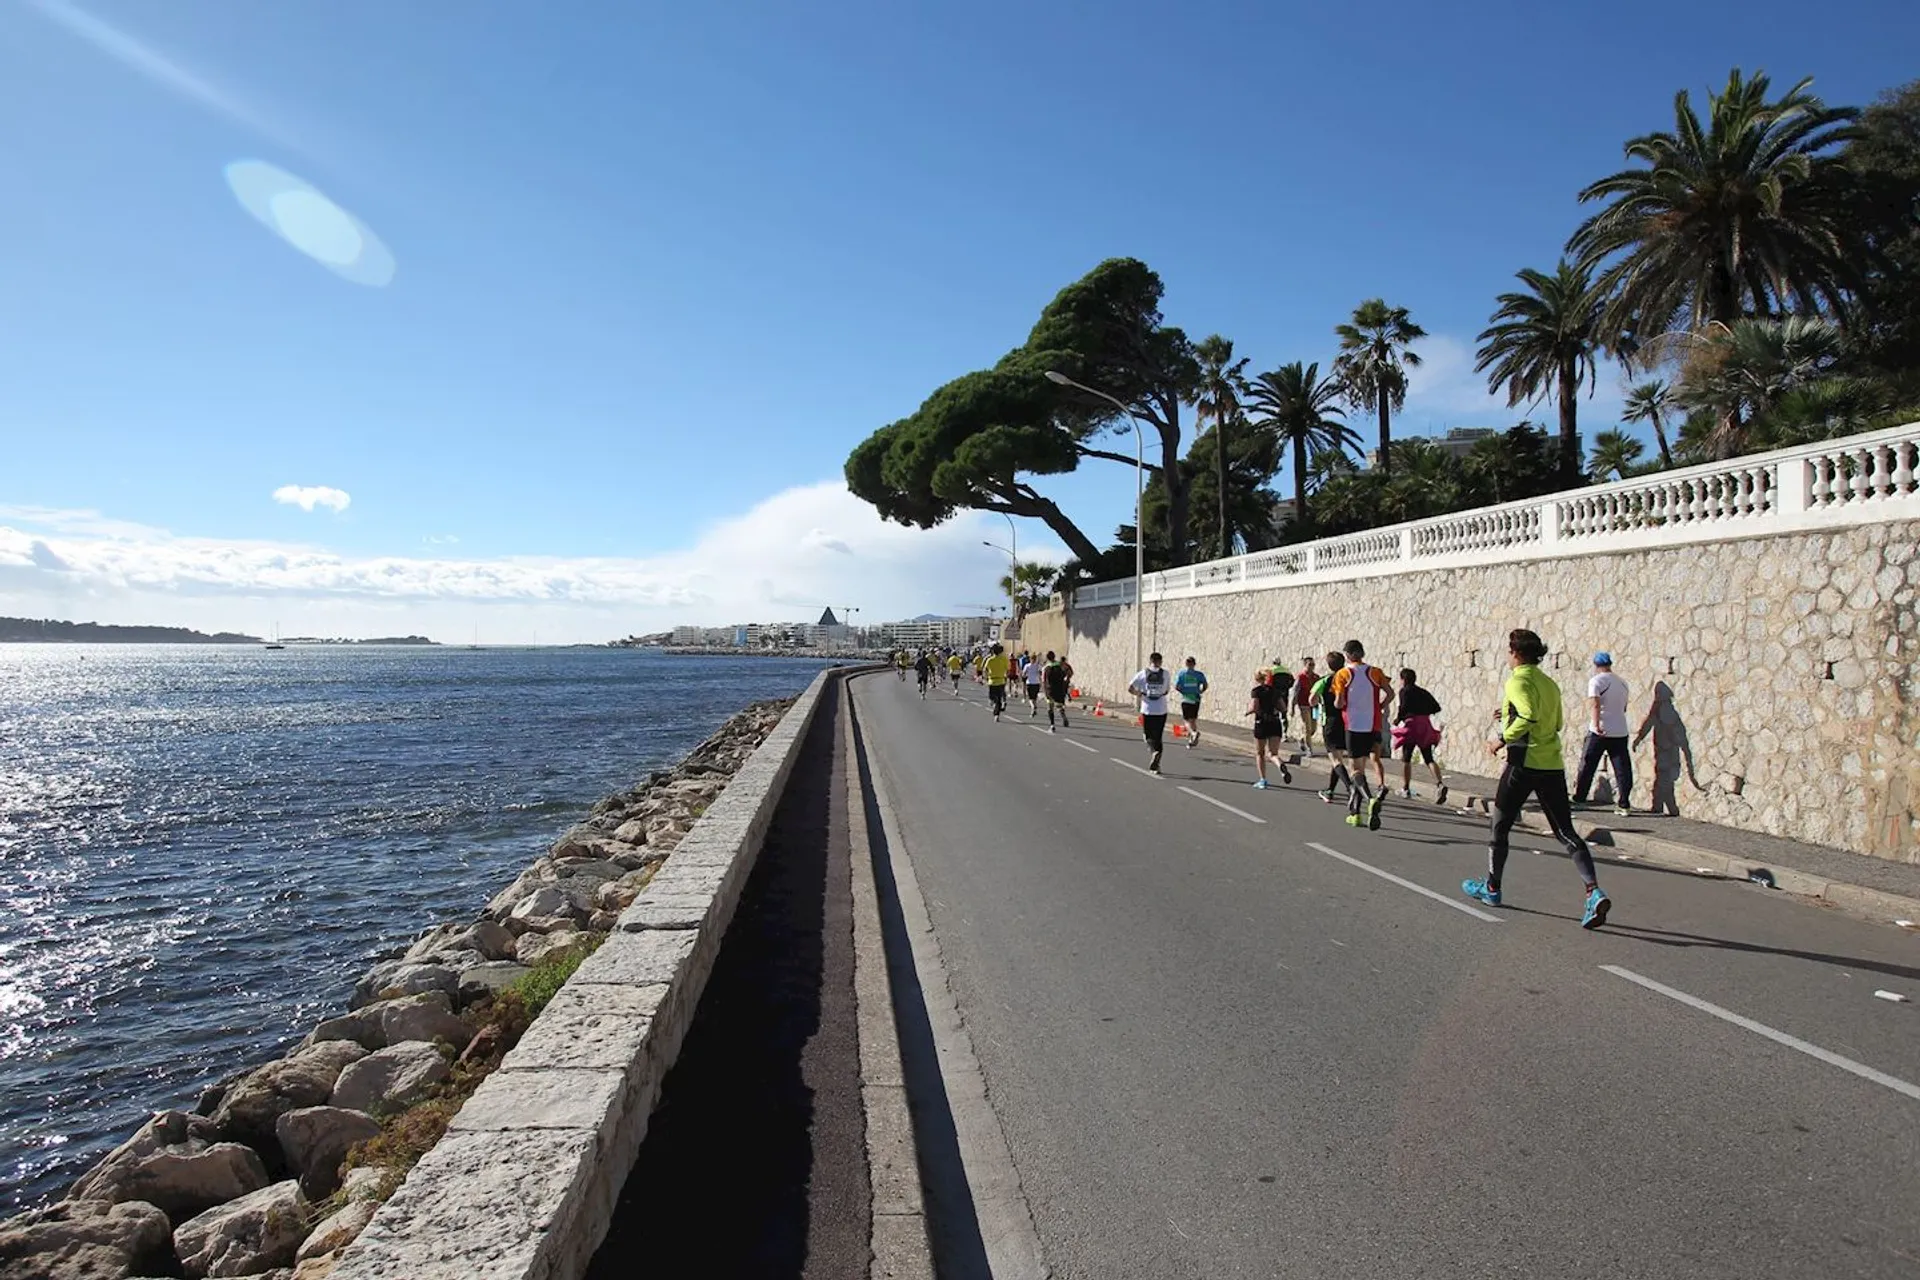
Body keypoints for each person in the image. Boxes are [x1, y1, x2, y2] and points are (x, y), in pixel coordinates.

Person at [1462, 629, 1613, 929]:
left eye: (1508, 651)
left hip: (1522, 763)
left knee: (1500, 825)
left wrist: (1501, 739)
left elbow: (1529, 715)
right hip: (1551, 764)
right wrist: (1506, 714)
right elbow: (1554, 722)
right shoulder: (1549, 683)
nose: (1507, 656)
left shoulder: (1517, 679)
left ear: (1515, 653)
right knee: (1565, 831)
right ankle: (1593, 891)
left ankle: (1492, 888)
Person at [1331, 640, 1394, 830]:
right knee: (1364, 766)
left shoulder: (1343, 674)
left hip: (1353, 724)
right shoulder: (1376, 672)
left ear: (1348, 655)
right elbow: (1390, 694)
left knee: (1355, 769)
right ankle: (1355, 814)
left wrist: (1340, 703)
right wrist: (1379, 708)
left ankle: (1370, 800)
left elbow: (1339, 703)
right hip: (1372, 725)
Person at [1573, 652, 1634, 816]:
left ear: (1595, 665)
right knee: (1622, 768)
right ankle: (1624, 804)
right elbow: (1624, 708)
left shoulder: (1596, 681)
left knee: (1588, 764)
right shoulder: (1622, 683)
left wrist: (1597, 724)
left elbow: (1595, 704)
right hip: (1620, 730)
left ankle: (1580, 798)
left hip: (1599, 730)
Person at [1392, 669, 1447, 804]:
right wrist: (1423, 711)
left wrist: (1398, 719)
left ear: (1403, 680)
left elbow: (1403, 707)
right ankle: (1439, 783)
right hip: (1425, 725)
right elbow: (1436, 707)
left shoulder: (1404, 691)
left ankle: (1406, 788)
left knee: (1406, 757)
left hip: (1411, 725)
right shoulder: (1423, 692)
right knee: (1428, 757)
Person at [1245, 671, 1294, 788]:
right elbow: (1283, 708)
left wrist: (1247, 712)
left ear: (1257, 679)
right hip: (1275, 722)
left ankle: (1263, 780)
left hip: (1261, 722)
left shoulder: (1256, 691)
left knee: (1260, 753)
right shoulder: (1275, 691)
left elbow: (1254, 707)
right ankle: (1280, 765)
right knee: (1273, 753)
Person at [1312, 653, 1351, 804]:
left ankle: (1350, 788)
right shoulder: (1348, 678)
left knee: (1335, 760)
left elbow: (1312, 699)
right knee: (1338, 758)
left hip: (1330, 721)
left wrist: (1319, 702)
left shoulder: (1325, 680)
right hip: (1346, 721)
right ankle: (1330, 790)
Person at [1127, 652, 1173, 774]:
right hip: (1161, 709)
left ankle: (1154, 753)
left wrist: (1140, 694)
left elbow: (1130, 688)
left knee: (1147, 736)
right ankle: (1157, 765)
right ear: (1160, 661)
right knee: (1158, 737)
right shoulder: (1166, 674)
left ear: (1150, 661)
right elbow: (1167, 690)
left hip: (1147, 709)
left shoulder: (1142, 674)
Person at [1174, 657, 1209, 748]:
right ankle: (1192, 740)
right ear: (1194, 664)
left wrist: (1183, 691)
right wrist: (1200, 691)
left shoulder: (1181, 674)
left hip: (1186, 698)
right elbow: (1205, 685)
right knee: (1192, 720)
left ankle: (1193, 733)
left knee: (1186, 720)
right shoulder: (1199, 674)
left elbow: (1176, 686)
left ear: (1186, 664)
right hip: (1196, 698)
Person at [1292, 655, 1319, 756]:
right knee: (1307, 727)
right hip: (1304, 705)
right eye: (1310, 665)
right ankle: (1309, 750)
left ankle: (1302, 739)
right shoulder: (1301, 677)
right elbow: (1295, 692)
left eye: (1313, 664)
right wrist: (1292, 707)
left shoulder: (1316, 677)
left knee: (1313, 729)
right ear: (1305, 665)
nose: (1312, 667)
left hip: (1315, 706)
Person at [1042, 651, 1072, 730]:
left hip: (1050, 689)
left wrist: (1044, 690)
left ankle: (1052, 725)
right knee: (1059, 705)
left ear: (1047, 658)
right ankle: (1064, 717)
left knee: (1050, 707)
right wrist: (1066, 681)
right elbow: (1069, 672)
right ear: (1054, 656)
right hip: (1059, 688)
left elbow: (1043, 680)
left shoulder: (1046, 667)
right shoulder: (1061, 665)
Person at [983, 643, 1011, 720]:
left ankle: (995, 710)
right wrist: (1006, 676)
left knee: (992, 697)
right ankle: (996, 715)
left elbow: (985, 670)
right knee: (999, 698)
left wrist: (985, 678)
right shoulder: (1004, 659)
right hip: (1001, 681)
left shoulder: (990, 660)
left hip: (992, 681)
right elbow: (1008, 670)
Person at [1024, 652, 1045, 717]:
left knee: (1030, 698)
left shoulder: (1027, 666)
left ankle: (1033, 707)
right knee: (1035, 697)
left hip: (1029, 683)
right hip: (1036, 683)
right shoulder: (1038, 666)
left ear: (1030, 659)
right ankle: (1034, 709)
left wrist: (1026, 675)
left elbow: (1023, 674)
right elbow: (1041, 673)